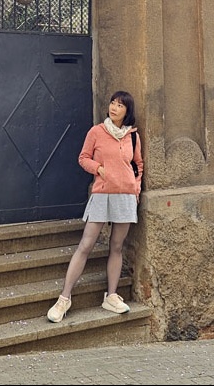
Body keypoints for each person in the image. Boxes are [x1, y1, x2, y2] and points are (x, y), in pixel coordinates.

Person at [47, 89, 143, 322]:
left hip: (125, 196)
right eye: (112, 103)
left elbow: (138, 164)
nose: (114, 107)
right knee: (86, 245)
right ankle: (64, 298)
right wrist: (98, 169)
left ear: (127, 111)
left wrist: (136, 189)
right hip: (102, 194)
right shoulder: (97, 132)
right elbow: (83, 158)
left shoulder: (132, 136)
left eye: (120, 105)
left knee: (117, 247)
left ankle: (111, 296)